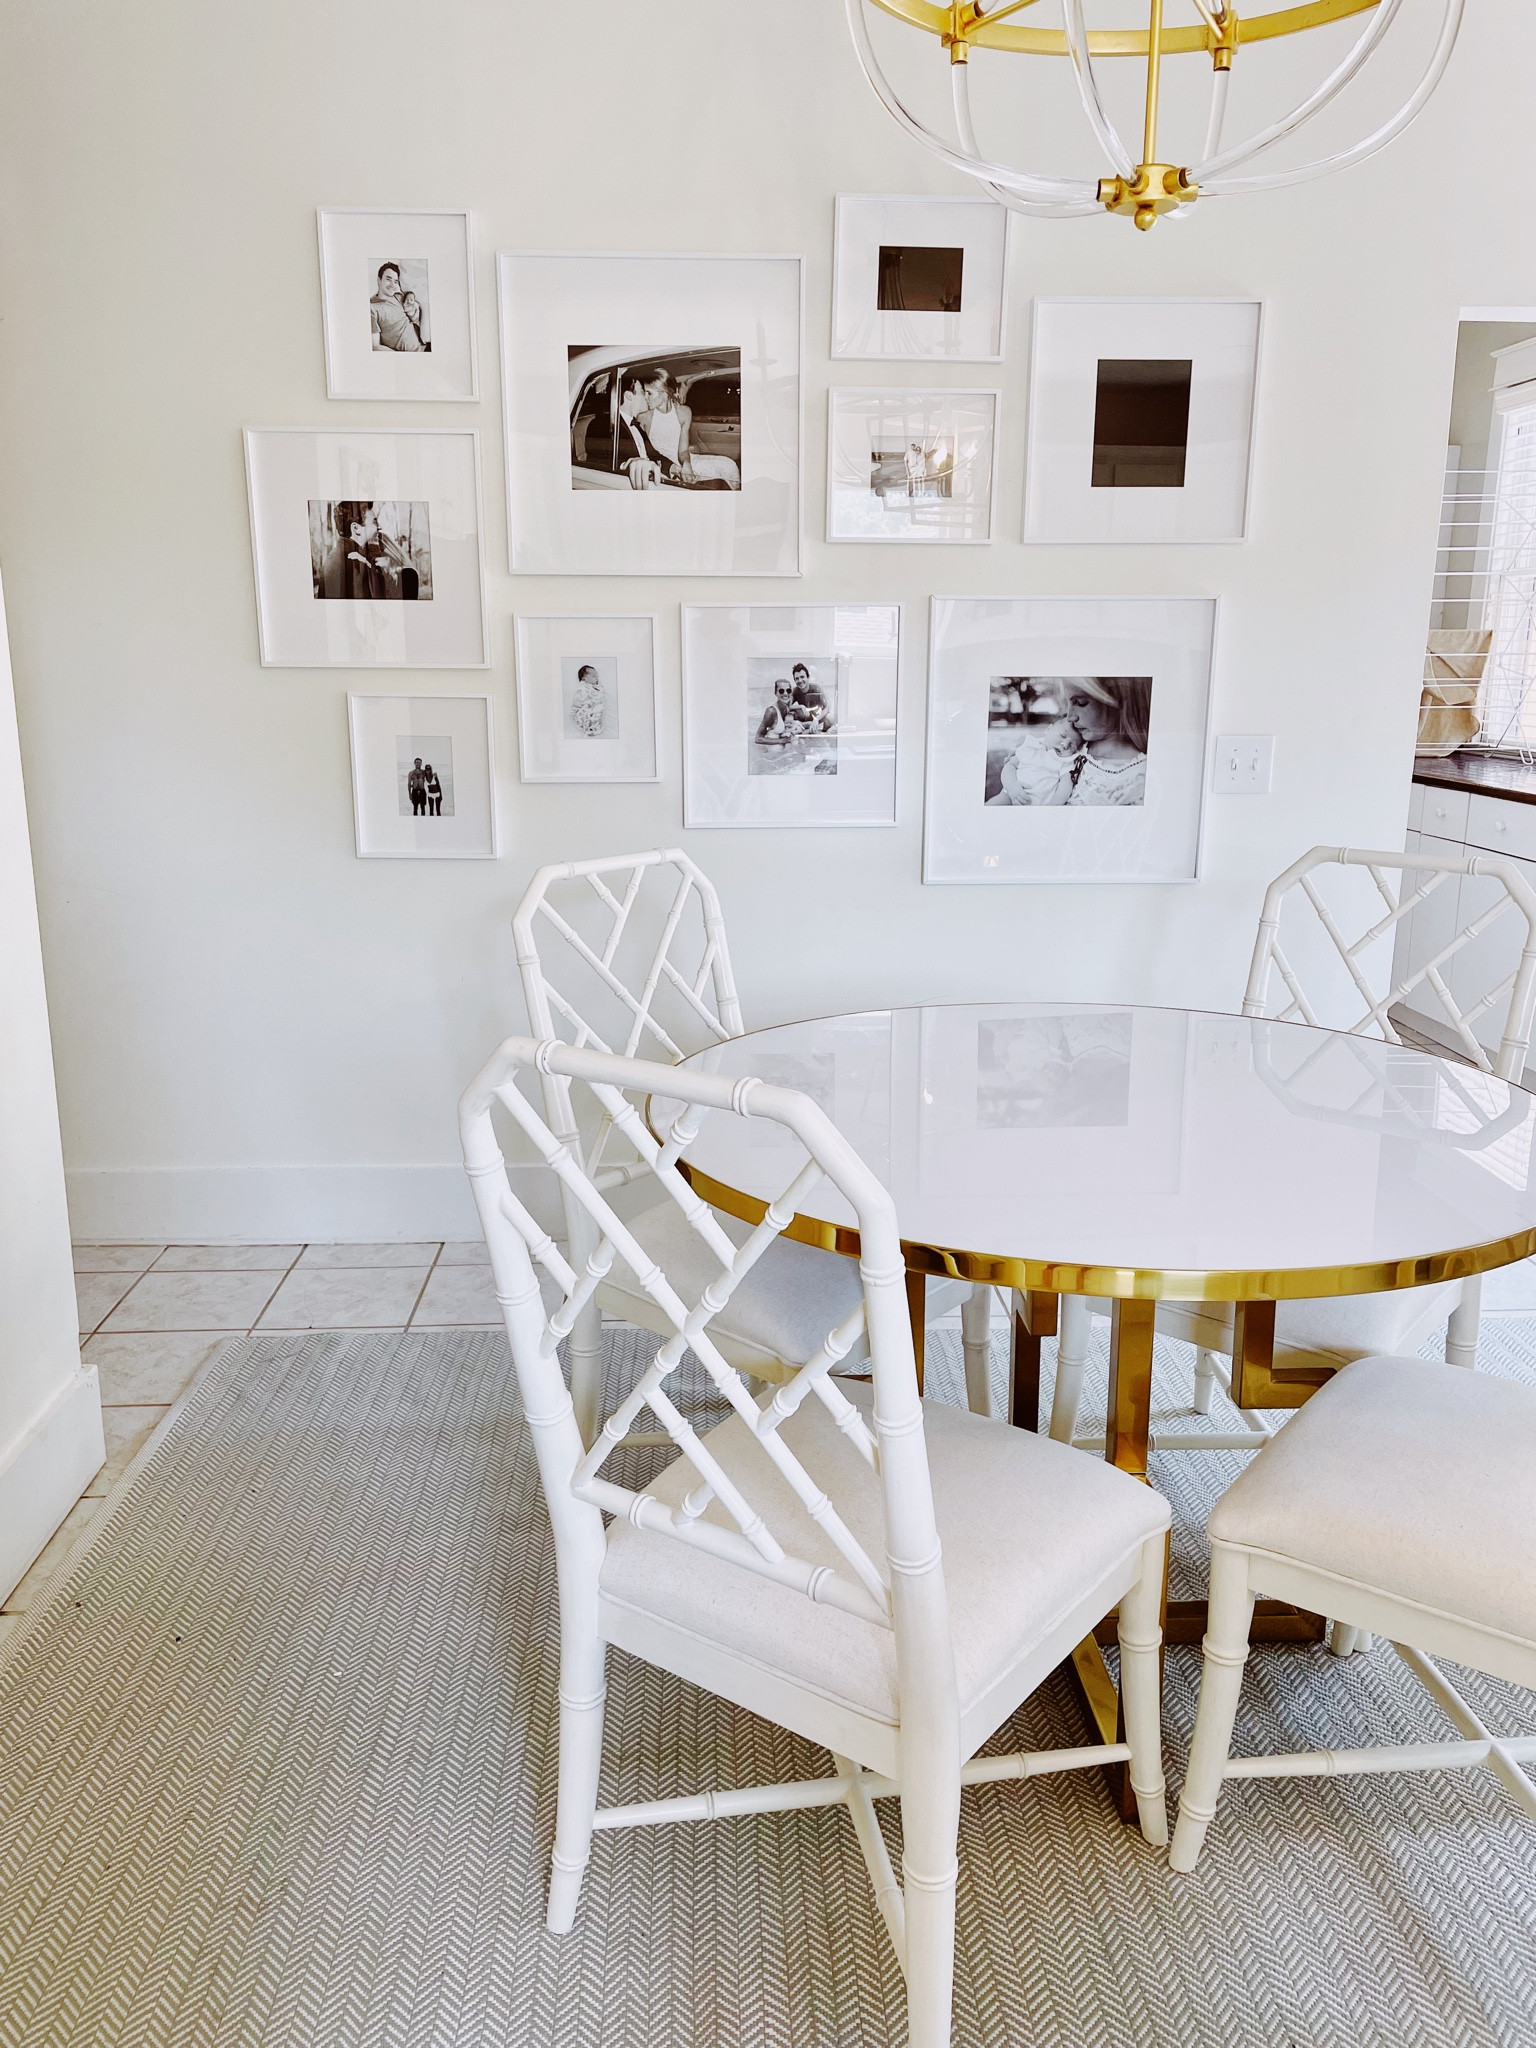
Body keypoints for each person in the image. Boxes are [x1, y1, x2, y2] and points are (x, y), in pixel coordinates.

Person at [631, 366, 740, 489]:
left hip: (685, 459)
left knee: (729, 465)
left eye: (649, 393)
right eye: (644, 392)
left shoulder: (684, 412)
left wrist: (686, 464)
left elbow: (683, 450)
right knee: (727, 467)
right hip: (665, 465)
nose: (645, 397)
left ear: (665, 394)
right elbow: (640, 450)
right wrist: (671, 468)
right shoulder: (644, 418)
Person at [1062, 676, 1151, 806]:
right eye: (1066, 704)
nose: (1070, 717)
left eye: (1080, 703)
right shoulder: (1070, 742)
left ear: (1117, 701)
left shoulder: (1139, 778)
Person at [987, 683, 1080, 807]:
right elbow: (1009, 766)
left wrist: (1053, 805)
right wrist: (1012, 786)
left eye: (1072, 746)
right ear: (1048, 730)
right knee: (992, 805)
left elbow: (1065, 786)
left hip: (1039, 804)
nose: (1065, 744)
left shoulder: (1065, 761)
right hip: (1011, 795)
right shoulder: (1030, 746)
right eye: (1062, 736)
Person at [370, 263, 429, 352]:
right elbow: (375, 346)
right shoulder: (372, 308)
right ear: (379, 280)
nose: (393, 285)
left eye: (396, 281)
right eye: (388, 279)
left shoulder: (399, 296)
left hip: (425, 346)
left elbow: (418, 306)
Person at [754, 677, 797, 745]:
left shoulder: (786, 708)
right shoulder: (771, 711)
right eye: (781, 691)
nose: (785, 694)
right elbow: (758, 739)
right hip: (771, 755)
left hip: (784, 754)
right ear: (775, 693)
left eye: (788, 690)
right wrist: (781, 741)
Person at [569, 664, 606, 737]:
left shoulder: (597, 688)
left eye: (596, 676)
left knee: (596, 718)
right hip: (584, 714)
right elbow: (576, 703)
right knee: (586, 717)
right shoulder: (582, 689)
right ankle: (586, 729)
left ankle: (594, 728)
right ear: (584, 679)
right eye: (593, 676)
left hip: (595, 713)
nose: (596, 678)